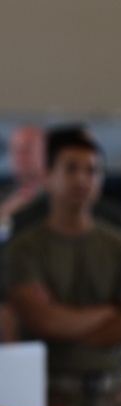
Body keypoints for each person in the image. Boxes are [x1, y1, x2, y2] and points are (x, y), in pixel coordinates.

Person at [2, 126, 121, 406]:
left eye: (92, 170)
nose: (82, 179)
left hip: (115, 399)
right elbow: (42, 320)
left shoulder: (119, 245)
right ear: (49, 175)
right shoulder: (26, 248)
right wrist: (108, 313)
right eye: (71, 169)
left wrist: (67, 323)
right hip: (53, 399)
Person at [0, 124, 48, 342]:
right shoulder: (6, 200)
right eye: (15, 150)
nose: (20, 156)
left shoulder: (62, 201)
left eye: (28, 149)